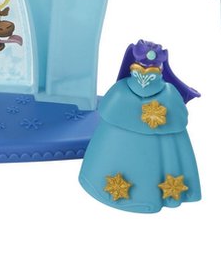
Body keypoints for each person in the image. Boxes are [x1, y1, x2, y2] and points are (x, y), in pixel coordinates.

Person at [78, 39, 201, 212]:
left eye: (151, 71)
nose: (144, 76)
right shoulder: (120, 92)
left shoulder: (168, 96)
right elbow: (107, 109)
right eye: (139, 69)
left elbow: (178, 125)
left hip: (155, 161)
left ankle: (148, 194)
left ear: (160, 70)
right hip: (111, 155)